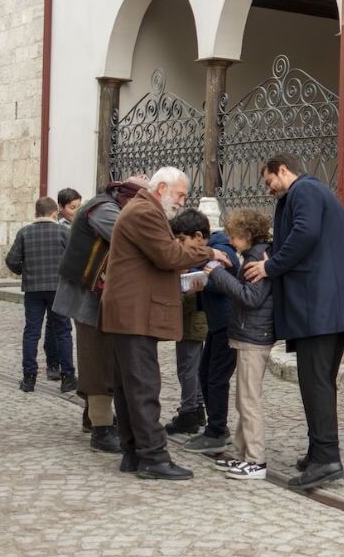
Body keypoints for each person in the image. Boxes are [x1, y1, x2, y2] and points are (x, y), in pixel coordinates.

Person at [242, 154, 344, 490]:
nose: (268, 189)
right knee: (316, 383)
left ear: (284, 170)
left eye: (269, 181)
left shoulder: (305, 191)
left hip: (320, 311)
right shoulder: (312, 193)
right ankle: (318, 451)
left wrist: (271, 265)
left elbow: (304, 234)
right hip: (323, 310)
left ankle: (326, 459)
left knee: (317, 384)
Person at [100, 166, 224, 480]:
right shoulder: (145, 212)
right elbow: (168, 256)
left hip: (128, 313)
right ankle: (154, 458)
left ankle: (134, 453)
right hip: (134, 314)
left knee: (129, 388)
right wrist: (209, 251)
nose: (182, 202)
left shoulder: (140, 209)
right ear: (162, 188)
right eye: (180, 195)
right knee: (143, 387)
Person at [54, 176, 146, 453]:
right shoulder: (104, 210)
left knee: (104, 359)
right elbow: (134, 239)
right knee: (97, 360)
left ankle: (93, 418)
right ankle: (101, 430)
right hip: (89, 298)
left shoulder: (110, 206)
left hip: (100, 296)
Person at [204, 208, 275, 481]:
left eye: (234, 236)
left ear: (247, 234)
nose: (231, 242)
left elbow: (250, 298)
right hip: (249, 333)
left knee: (249, 400)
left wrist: (217, 274)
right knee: (243, 398)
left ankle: (255, 460)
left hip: (253, 336)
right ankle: (241, 454)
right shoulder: (253, 255)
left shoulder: (257, 257)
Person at [171, 209, 241, 455]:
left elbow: (220, 278)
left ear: (199, 236)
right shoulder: (209, 251)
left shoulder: (224, 251)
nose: (180, 246)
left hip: (229, 324)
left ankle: (217, 432)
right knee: (204, 373)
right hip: (216, 324)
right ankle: (215, 427)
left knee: (216, 379)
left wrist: (192, 280)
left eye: (182, 240)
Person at [6, 196, 73, 394]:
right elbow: (74, 258)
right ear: (54, 213)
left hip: (33, 290)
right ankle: (67, 377)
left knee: (31, 332)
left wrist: (23, 271)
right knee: (63, 332)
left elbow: (11, 260)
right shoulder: (64, 232)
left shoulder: (24, 233)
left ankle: (29, 378)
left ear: (36, 213)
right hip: (59, 289)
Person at [43, 187, 82, 381]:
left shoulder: (80, 224)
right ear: (60, 207)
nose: (76, 211)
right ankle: (54, 363)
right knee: (56, 323)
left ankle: (59, 362)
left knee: (59, 322)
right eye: (72, 207)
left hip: (72, 280)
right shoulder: (57, 227)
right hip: (56, 280)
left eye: (78, 206)